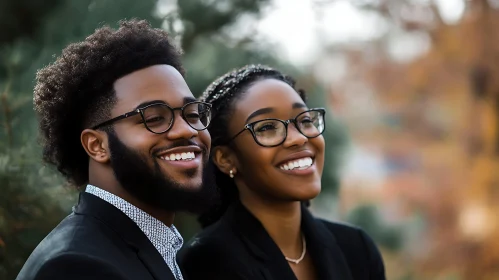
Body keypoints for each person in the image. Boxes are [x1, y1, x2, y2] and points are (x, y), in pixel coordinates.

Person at [16, 19, 216, 280]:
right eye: (154, 118)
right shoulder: (76, 267)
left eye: (192, 114)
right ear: (97, 145)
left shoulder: (162, 249)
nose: (187, 130)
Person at [178, 65, 386, 280]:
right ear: (226, 159)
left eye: (304, 120)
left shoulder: (356, 249)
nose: (298, 138)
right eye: (266, 128)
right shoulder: (208, 262)